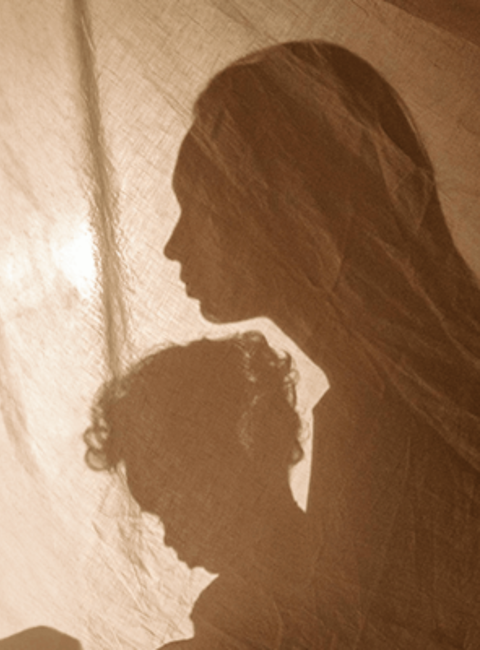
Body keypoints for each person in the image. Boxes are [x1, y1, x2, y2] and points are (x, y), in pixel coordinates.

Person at [164, 41, 480, 648]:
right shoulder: (367, 406)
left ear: (276, 207)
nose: (173, 246)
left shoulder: (387, 425)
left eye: (197, 207)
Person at [84, 332, 327, 648]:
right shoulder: (241, 601)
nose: (168, 537)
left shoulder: (252, 611)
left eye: (170, 508)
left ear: (228, 467)